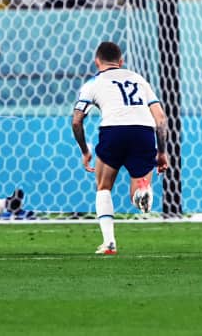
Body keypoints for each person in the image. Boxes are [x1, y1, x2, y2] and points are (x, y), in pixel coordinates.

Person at [71, 41, 169, 255]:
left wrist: (85, 151)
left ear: (97, 62)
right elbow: (160, 118)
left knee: (104, 187)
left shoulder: (93, 83)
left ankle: (109, 242)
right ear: (121, 61)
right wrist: (161, 152)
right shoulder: (139, 79)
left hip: (113, 130)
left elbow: (77, 121)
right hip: (143, 131)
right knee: (137, 196)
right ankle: (142, 192)